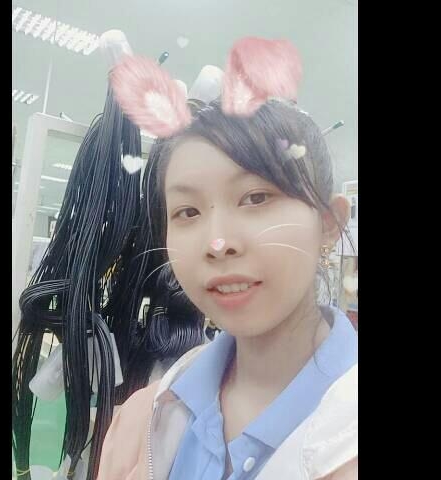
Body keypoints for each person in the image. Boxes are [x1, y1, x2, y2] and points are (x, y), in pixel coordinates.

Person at [97, 36, 357, 480]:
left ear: (329, 223)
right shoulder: (142, 422)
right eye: (188, 212)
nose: (216, 243)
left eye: (256, 198)